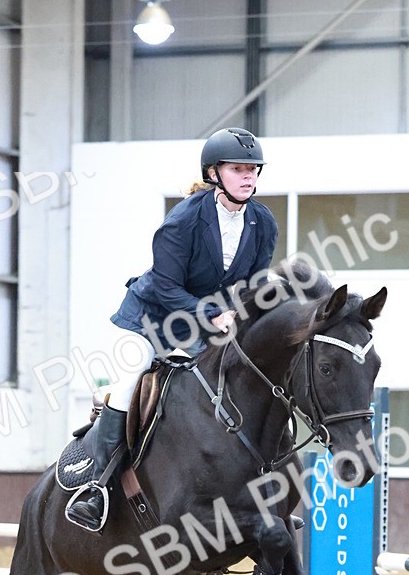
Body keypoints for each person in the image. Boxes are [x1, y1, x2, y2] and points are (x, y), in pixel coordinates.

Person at [66, 126, 279, 532]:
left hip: (204, 323)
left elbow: (254, 282)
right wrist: (213, 313)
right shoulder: (184, 219)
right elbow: (165, 286)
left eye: (254, 169)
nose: (248, 176)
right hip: (150, 319)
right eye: (238, 169)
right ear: (214, 173)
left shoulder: (262, 221)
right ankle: (96, 487)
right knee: (131, 379)